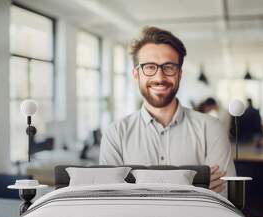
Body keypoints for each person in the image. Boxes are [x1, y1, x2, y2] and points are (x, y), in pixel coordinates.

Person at [99, 26, 236, 196]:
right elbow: (111, 199)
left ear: (179, 74)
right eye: (149, 67)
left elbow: (223, 196)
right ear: (136, 74)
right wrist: (194, 186)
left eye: (169, 67)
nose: (159, 77)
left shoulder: (211, 129)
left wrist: (136, 189)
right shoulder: (115, 134)